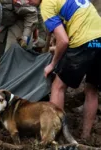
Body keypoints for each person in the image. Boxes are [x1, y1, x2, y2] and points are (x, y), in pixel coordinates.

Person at [27, 0, 101, 140]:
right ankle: (86, 137)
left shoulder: (46, 5)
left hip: (83, 41)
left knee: (58, 86)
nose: (28, 1)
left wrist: (52, 64)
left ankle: (54, 136)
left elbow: (64, 41)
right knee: (92, 89)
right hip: (99, 40)